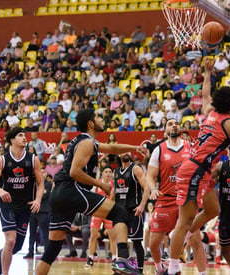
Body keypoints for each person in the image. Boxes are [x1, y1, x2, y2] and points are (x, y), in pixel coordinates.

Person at [36, 109, 147, 275]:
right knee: (119, 213)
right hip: (71, 189)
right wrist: (100, 185)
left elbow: (111, 148)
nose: (101, 119)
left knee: (52, 249)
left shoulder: (84, 141)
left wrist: (135, 147)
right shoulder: (87, 143)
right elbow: (75, 171)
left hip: (59, 194)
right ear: (90, 123)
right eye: (97, 117)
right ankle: (122, 261)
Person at [165, 57, 230, 275]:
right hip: (196, 171)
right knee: (184, 219)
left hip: (198, 170)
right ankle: (172, 269)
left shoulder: (210, 111)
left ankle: (187, 233)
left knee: (212, 210)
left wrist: (208, 71)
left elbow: (206, 92)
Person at [0, 127, 45, 275]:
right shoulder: (2, 160)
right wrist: (0, 191)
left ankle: (3, 256)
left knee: (16, 246)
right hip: (7, 206)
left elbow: (41, 183)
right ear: (12, 140)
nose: (24, 138)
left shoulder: (33, 159)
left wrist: (38, 200)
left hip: (25, 207)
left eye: (24, 135)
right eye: (20, 135)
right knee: (11, 240)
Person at [146, 118, 192, 274]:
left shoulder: (189, 147)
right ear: (165, 130)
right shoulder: (159, 149)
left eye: (176, 123)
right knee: (153, 244)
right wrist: (153, 188)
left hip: (185, 200)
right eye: (170, 124)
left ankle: (185, 268)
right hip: (165, 200)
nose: (174, 125)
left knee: (196, 239)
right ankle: (159, 268)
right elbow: (150, 175)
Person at [112, 152, 149, 274]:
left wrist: (142, 205)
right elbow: (114, 191)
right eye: (123, 152)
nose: (126, 154)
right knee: (121, 242)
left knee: (136, 241)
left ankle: (140, 270)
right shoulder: (116, 171)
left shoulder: (136, 168)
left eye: (128, 152)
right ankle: (122, 268)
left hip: (134, 210)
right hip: (120, 211)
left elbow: (146, 187)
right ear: (119, 155)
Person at [85, 166, 116, 267]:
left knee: (112, 236)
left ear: (112, 174)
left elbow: (115, 200)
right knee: (93, 236)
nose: (108, 173)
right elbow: (91, 197)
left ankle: (115, 259)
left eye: (110, 172)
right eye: (106, 172)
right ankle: (90, 258)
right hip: (98, 212)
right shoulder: (97, 183)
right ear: (102, 174)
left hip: (109, 213)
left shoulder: (114, 185)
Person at [24, 172, 53, 259]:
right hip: (33, 211)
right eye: (41, 171)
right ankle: (30, 251)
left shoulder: (48, 184)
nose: (42, 173)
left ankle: (47, 253)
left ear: (46, 175)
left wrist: (36, 196)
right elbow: (29, 195)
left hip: (43, 211)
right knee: (32, 232)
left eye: (44, 172)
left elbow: (44, 195)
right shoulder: (32, 183)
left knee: (45, 233)